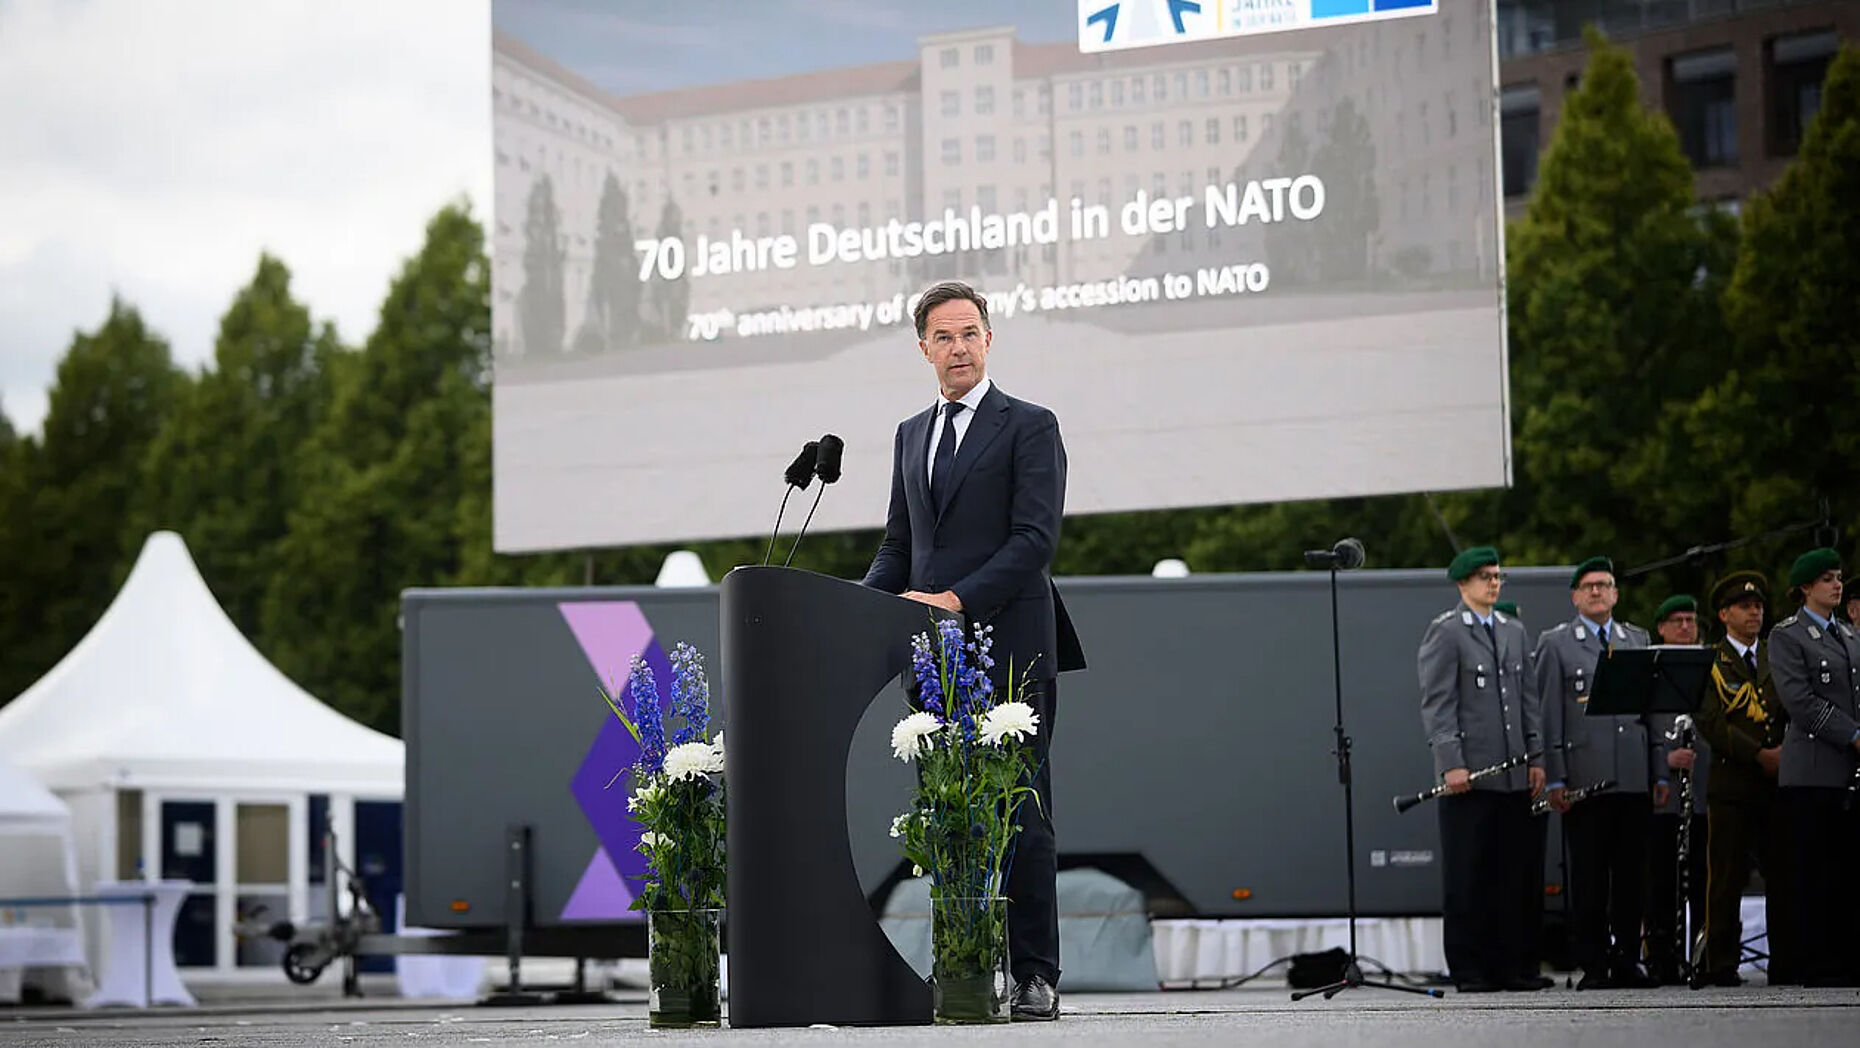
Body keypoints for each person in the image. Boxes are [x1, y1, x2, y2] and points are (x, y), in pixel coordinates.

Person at [863, 280, 1086, 1020]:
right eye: (943, 337)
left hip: (1013, 647)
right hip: (933, 659)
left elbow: (1034, 540)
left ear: (988, 340)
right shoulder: (909, 435)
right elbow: (900, 545)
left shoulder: (1030, 425)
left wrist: (957, 600)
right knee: (949, 814)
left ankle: (1035, 975)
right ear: (923, 348)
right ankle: (964, 965)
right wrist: (860, 611)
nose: (958, 348)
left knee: (1021, 812)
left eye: (969, 334)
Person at [1416, 546, 1546, 993]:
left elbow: (1528, 700)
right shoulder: (1447, 632)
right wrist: (1451, 763)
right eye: (1485, 577)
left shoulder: (1513, 630)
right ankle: (1469, 969)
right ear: (1462, 584)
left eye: (1497, 576)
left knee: (1511, 874)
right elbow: (1439, 704)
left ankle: (1510, 966)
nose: (1493, 583)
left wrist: (1536, 757)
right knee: (1468, 875)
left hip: (1512, 774)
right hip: (1471, 776)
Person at [1535, 556, 1666, 989]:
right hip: (1584, 778)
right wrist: (1556, 777)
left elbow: (1651, 712)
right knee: (1588, 877)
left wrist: (1659, 771)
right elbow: (1549, 716)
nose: (1596, 591)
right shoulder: (1556, 643)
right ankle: (1593, 963)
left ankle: (1628, 958)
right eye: (1588, 586)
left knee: (1631, 876)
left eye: (1604, 584)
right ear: (1575, 597)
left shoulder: (1636, 639)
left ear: (1616, 594)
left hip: (1632, 775)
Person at [1692, 570, 1796, 986]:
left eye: (1758, 606)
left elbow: (1790, 706)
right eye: (1744, 607)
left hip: (1776, 782)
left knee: (1782, 873)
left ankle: (1787, 959)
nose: (1754, 613)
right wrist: (1757, 754)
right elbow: (1710, 721)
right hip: (1732, 782)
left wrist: (1784, 751)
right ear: (1724, 614)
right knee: (1725, 877)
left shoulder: (1776, 654)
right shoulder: (1711, 660)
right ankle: (1720, 962)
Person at [1767, 548, 1860, 988]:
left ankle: (1846, 956)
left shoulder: (1849, 634)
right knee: (1815, 870)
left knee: (1845, 869)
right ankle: (1815, 961)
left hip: (1847, 772)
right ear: (1805, 588)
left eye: (1838, 577)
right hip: (1812, 769)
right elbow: (1801, 702)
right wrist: (1853, 734)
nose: (1837, 585)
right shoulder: (1787, 636)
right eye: (1827, 579)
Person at [1643, 594, 1709, 985]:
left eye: (1690, 620)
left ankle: (1704, 956)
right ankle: (1661, 955)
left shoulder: (1708, 663)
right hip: (1665, 789)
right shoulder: (1651, 667)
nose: (1686, 627)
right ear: (1662, 628)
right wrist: (1663, 761)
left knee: (1703, 875)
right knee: (1661, 877)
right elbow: (1644, 725)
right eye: (1677, 621)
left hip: (1701, 790)